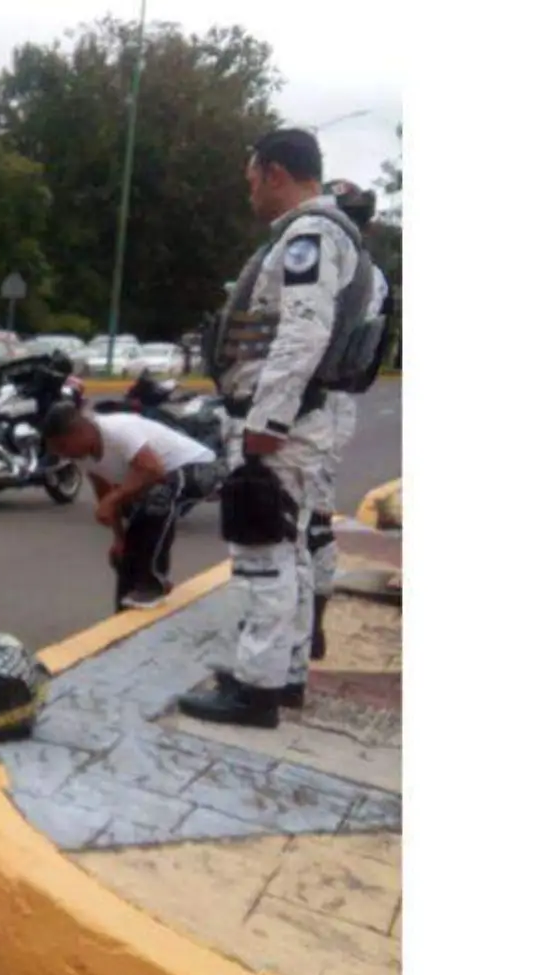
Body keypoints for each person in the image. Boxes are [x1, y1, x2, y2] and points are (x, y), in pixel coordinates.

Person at [179, 127, 373, 729]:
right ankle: (282, 676)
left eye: (251, 180)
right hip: (301, 421)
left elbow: (303, 332)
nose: (250, 192)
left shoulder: (308, 236)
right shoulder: (331, 236)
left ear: (273, 173)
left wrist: (266, 420)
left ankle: (256, 691)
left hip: (281, 427)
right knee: (285, 550)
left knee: (262, 552)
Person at [306, 179, 391, 660]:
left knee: (300, 521)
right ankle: (309, 626)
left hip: (319, 399)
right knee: (312, 516)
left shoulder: (339, 264)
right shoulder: (372, 272)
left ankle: (302, 630)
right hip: (338, 401)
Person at [41, 401, 221, 611]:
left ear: (80, 431)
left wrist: (113, 499)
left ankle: (153, 584)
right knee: (129, 544)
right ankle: (128, 601)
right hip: (164, 479)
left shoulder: (116, 430)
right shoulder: (83, 456)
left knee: (157, 496)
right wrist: (119, 538)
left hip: (202, 469)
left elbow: (153, 469)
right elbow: (104, 491)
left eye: (63, 446)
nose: (64, 455)